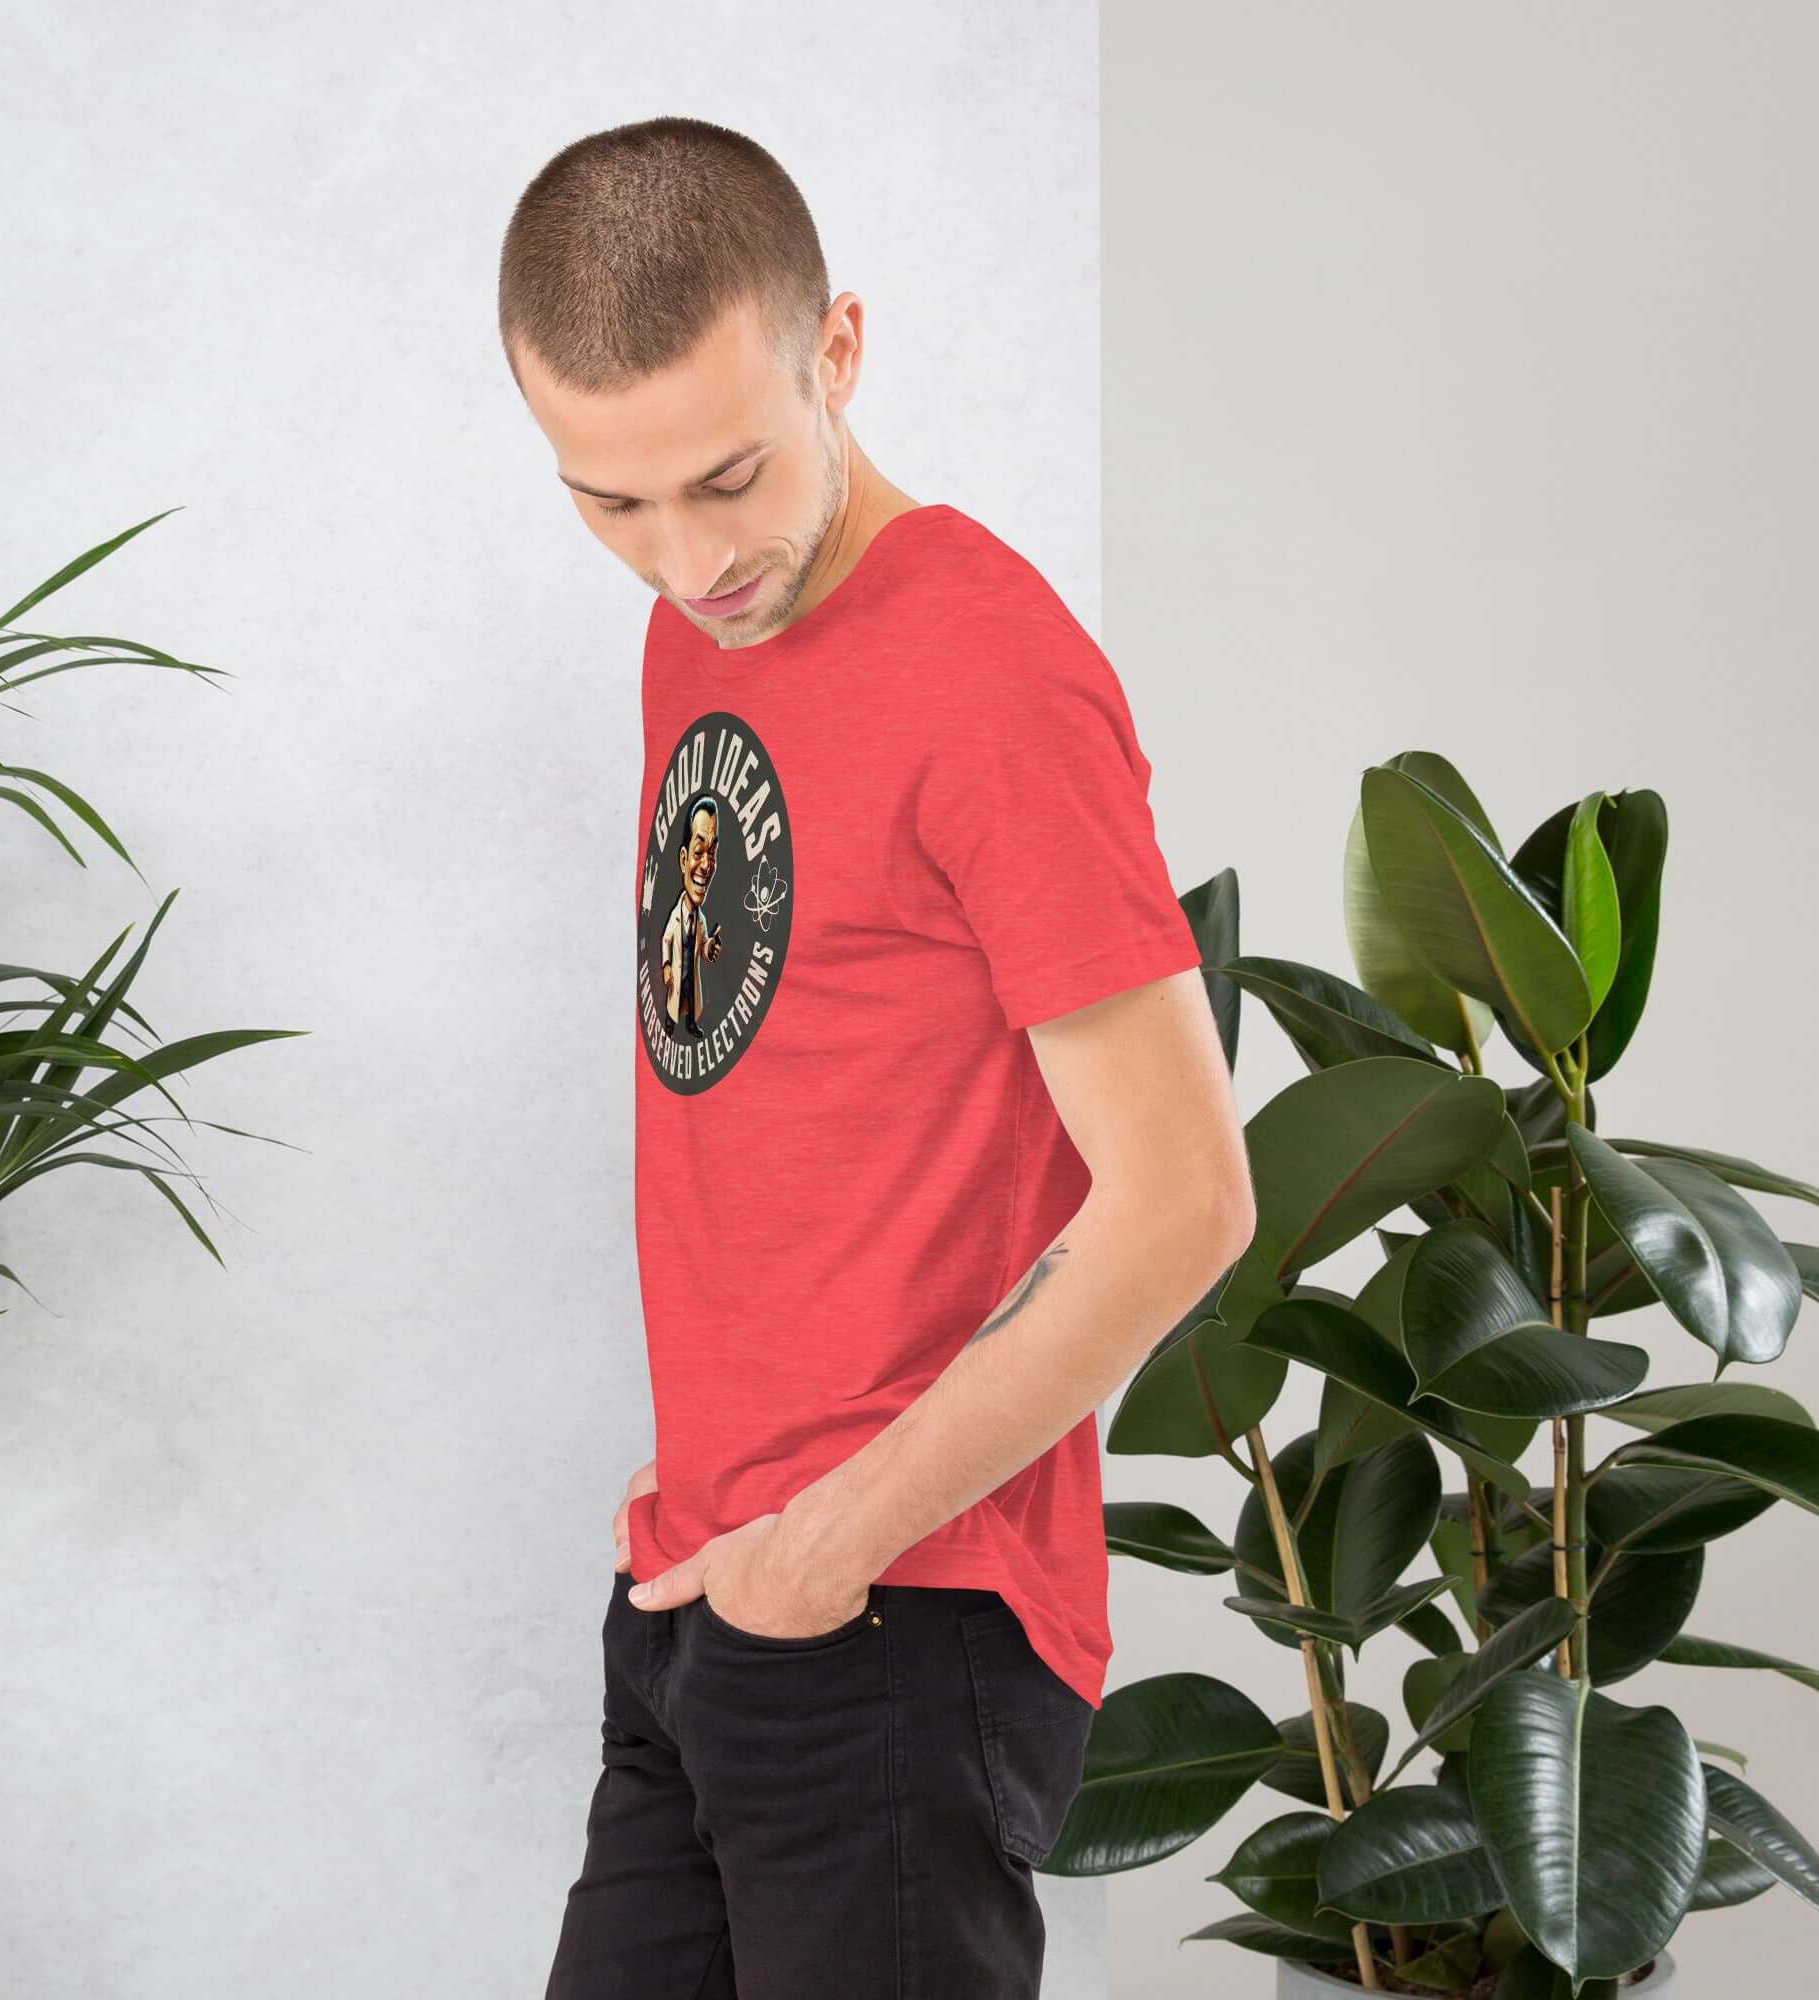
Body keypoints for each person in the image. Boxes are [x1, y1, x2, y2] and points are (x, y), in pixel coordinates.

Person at [499, 115, 1256, 1999]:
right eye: (611, 502)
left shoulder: (994, 677)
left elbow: (1184, 1198)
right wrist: (726, 1516)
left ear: (838, 348)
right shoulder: (707, 630)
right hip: (706, 1589)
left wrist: (834, 1533)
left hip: (902, 1617)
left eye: (729, 477)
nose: (687, 558)